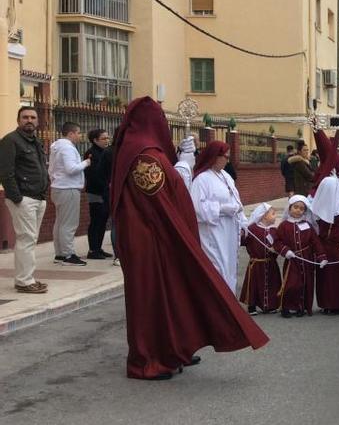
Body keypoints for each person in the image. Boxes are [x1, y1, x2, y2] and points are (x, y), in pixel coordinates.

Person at [110, 96, 268, 380]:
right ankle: (148, 360)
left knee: (172, 296)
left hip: (156, 239)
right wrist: (182, 167)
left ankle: (172, 349)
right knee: (152, 299)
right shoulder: (144, 157)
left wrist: (178, 164)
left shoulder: (147, 152)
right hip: (150, 242)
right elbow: (163, 202)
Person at [0, 107, 50, 293]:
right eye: (25, 117)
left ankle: (26, 278)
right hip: (24, 199)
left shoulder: (35, 141)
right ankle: (24, 281)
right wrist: (17, 198)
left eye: (33, 117)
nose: (29, 120)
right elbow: (6, 172)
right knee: (26, 239)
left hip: (38, 197)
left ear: (37, 121)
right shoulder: (10, 141)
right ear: (18, 120)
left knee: (30, 240)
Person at [190, 141, 246, 293]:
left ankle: (229, 305)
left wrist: (243, 223)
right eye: (225, 157)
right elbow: (197, 208)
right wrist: (222, 209)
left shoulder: (226, 176)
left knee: (229, 268)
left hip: (229, 231)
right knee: (217, 268)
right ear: (215, 157)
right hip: (213, 232)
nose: (228, 160)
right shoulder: (201, 179)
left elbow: (236, 200)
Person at [310, 130, 339, 314]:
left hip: (332, 248)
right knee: (331, 276)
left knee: (332, 275)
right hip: (332, 248)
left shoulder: (321, 212)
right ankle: (332, 304)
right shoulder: (334, 212)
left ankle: (335, 304)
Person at [275, 195, 327, 317]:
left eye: (301, 208)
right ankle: (286, 307)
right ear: (289, 208)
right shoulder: (284, 226)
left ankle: (301, 307)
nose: (298, 210)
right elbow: (277, 241)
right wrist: (285, 251)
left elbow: (315, 242)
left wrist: (322, 256)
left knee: (305, 284)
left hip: (306, 259)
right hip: (292, 260)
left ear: (305, 211)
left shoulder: (308, 225)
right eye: (295, 207)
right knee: (291, 284)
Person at [48, 122, 91, 266]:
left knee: (60, 222)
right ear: (71, 133)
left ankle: (60, 254)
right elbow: (71, 169)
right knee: (69, 224)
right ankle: (68, 255)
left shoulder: (56, 146)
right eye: (78, 133)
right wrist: (86, 162)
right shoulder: (67, 148)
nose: (80, 136)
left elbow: (51, 169)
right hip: (68, 188)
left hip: (58, 188)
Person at [239, 203, 282, 315]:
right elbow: (243, 241)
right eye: (273, 214)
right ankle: (252, 306)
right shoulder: (252, 229)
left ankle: (270, 305)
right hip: (257, 263)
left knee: (272, 284)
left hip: (271, 263)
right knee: (254, 285)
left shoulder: (274, 230)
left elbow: (278, 243)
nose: (275, 216)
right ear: (264, 216)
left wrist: (276, 249)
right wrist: (242, 234)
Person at [84, 128, 113, 260]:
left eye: (108, 138)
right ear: (95, 140)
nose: (107, 141)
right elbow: (93, 174)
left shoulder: (105, 152)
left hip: (105, 191)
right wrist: (104, 186)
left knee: (103, 220)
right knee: (96, 219)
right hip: (96, 191)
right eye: (103, 138)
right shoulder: (91, 153)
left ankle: (98, 248)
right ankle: (92, 249)